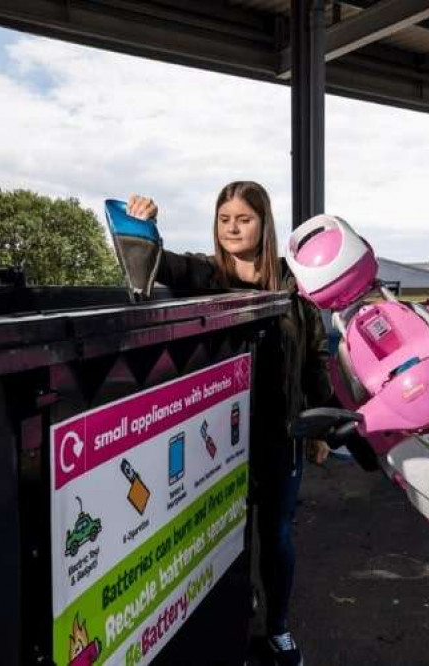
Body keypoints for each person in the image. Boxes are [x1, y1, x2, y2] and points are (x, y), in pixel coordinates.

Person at [127, 181, 331, 666]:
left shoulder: (293, 282)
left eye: (244, 218)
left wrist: (320, 425)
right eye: (224, 219)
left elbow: (315, 356)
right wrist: (144, 227)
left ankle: (278, 628)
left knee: (277, 535)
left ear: (265, 224)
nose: (233, 228)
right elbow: (157, 265)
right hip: (219, 441)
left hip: (280, 436)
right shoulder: (207, 274)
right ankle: (235, 612)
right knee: (225, 532)